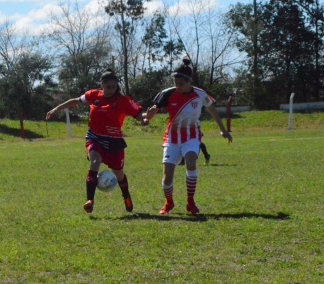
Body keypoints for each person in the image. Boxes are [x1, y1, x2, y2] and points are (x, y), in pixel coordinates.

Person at [46, 69, 148, 214]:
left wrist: (144, 120)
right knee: (94, 161)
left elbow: (138, 114)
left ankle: (126, 195)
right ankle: (90, 201)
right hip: (95, 137)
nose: (111, 90)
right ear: (102, 85)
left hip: (114, 142)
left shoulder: (123, 101)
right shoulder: (93, 95)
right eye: (108, 87)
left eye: (114, 87)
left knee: (119, 174)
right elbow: (76, 100)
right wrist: (57, 108)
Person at [142, 58, 232, 215]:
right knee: (167, 176)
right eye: (175, 83)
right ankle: (169, 202)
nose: (177, 87)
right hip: (172, 137)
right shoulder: (167, 94)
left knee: (191, 162)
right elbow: (150, 114)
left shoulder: (200, 94)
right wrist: (147, 117)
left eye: (181, 84)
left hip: (192, 136)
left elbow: (212, 110)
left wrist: (223, 129)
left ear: (189, 81)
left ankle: (190, 201)